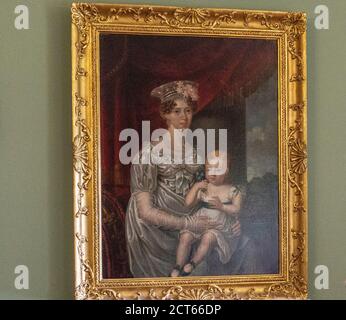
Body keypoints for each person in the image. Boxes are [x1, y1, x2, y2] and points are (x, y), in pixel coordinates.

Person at [125, 80, 243, 278]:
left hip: (191, 228)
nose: (183, 117)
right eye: (176, 111)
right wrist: (186, 223)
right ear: (165, 114)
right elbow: (144, 212)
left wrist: (232, 219)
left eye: (187, 110)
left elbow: (209, 193)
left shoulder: (198, 155)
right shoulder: (148, 154)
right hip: (152, 233)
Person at [170, 150, 242, 277]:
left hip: (218, 227)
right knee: (185, 236)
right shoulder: (204, 186)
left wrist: (222, 207)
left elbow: (237, 208)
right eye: (209, 170)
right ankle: (178, 265)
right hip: (200, 222)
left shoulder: (232, 190)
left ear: (226, 171)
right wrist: (196, 187)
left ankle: (192, 263)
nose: (212, 174)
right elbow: (188, 203)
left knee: (208, 238)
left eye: (217, 170)